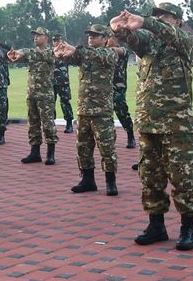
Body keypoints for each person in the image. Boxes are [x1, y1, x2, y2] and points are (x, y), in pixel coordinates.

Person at [110, 2, 193, 251]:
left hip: (176, 123)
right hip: (149, 122)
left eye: (166, 16)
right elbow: (135, 38)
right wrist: (119, 30)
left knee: (183, 177)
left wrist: (149, 22)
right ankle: (156, 225)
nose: (160, 19)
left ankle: (188, 228)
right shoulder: (148, 43)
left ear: (178, 21)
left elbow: (169, 34)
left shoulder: (183, 41)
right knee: (150, 177)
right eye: (156, 16)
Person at [54, 24, 121, 196]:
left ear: (105, 39)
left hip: (101, 110)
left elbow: (90, 54)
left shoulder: (109, 53)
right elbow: (71, 58)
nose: (91, 38)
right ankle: (88, 180)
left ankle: (110, 181)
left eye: (95, 35)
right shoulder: (85, 55)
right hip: (84, 109)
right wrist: (61, 53)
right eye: (89, 35)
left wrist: (74, 49)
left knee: (106, 147)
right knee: (83, 147)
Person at [6, 27, 58, 165]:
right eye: (34, 35)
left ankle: (50, 153)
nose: (35, 37)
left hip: (45, 94)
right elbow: (21, 55)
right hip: (32, 93)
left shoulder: (51, 52)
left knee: (48, 124)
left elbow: (33, 54)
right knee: (33, 123)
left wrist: (22, 52)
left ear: (46, 37)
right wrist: (15, 54)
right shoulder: (31, 52)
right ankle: (35, 152)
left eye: (39, 35)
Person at [107, 33, 137, 151]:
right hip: (104, 88)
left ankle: (130, 134)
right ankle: (109, 138)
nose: (107, 41)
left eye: (109, 38)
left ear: (115, 40)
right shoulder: (101, 53)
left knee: (122, 112)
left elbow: (116, 51)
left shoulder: (122, 50)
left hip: (118, 87)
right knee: (105, 115)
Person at [51, 33, 75, 134]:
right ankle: (51, 124)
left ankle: (69, 123)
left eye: (58, 40)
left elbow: (74, 55)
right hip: (51, 82)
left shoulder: (67, 52)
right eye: (55, 41)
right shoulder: (50, 52)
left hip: (63, 81)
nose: (57, 42)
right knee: (50, 103)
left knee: (65, 102)